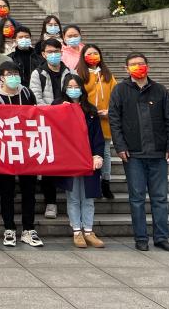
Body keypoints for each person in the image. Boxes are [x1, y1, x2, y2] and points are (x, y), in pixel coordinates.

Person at [109, 53, 169, 252]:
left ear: (148, 66)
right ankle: (141, 238)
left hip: (158, 153)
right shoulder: (120, 90)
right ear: (126, 69)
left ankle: (161, 237)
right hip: (133, 155)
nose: (138, 67)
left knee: (160, 198)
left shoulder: (160, 90)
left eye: (141, 63)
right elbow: (114, 121)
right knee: (137, 198)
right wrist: (120, 146)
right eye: (133, 64)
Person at [0, 61, 43, 248]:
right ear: (1, 78)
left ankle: (28, 229)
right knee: (7, 192)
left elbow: (37, 115)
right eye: (9, 74)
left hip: (27, 150)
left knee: (29, 191)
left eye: (16, 74)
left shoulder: (27, 93)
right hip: (5, 151)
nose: (13, 77)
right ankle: (9, 229)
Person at [59, 73, 106, 248]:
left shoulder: (90, 110)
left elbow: (98, 136)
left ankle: (88, 230)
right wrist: (59, 111)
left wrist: (98, 155)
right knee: (73, 196)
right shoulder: (59, 106)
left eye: (76, 87)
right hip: (70, 159)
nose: (73, 90)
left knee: (88, 197)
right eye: (69, 87)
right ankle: (77, 231)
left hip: (88, 158)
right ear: (64, 89)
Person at [30, 37, 71, 219]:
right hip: (46, 123)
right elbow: (36, 98)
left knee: (65, 161)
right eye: (50, 52)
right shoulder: (38, 73)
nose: (54, 54)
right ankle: (50, 202)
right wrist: (54, 111)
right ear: (43, 54)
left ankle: (71, 201)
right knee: (48, 164)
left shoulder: (68, 72)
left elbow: (73, 95)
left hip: (65, 123)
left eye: (56, 51)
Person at [78, 44, 116, 199]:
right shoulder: (80, 73)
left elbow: (116, 96)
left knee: (105, 152)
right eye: (89, 54)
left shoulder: (107, 75)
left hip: (105, 119)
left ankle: (105, 182)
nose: (93, 56)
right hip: (88, 119)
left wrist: (109, 111)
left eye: (95, 53)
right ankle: (92, 182)